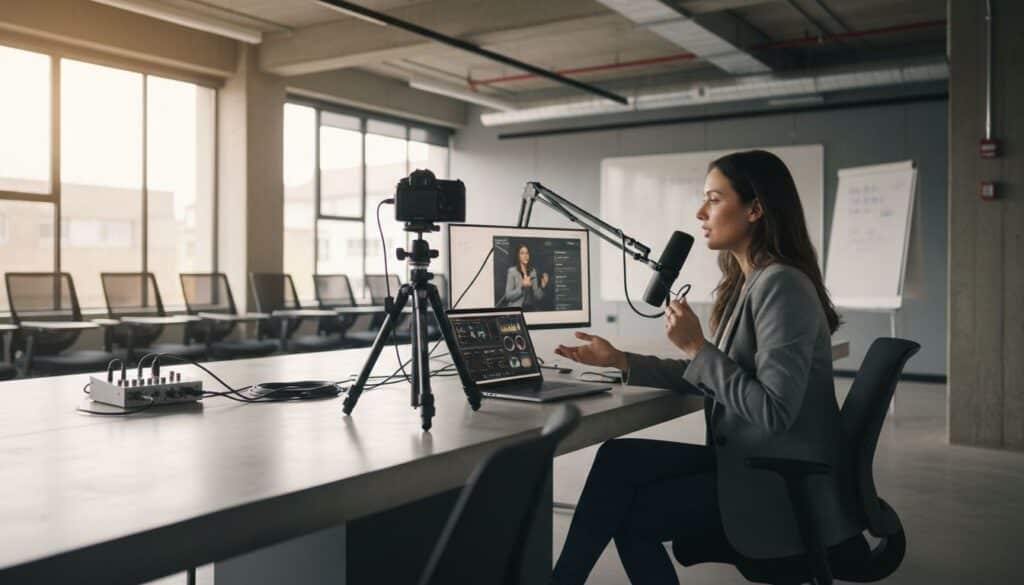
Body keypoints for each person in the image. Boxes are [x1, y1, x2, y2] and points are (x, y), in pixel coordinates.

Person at [549, 150, 861, 585]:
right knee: (618, 457)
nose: (700, 212)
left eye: (714, 199)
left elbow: (773, 411)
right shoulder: (751, 281)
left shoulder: (782, 285)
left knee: (630, 517)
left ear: (755, 209)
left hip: (775, 483)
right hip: (750, 463)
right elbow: (719, 374)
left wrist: (698, 346)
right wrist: (621, 362)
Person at [503, 243, 549, 310]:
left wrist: (542, 286)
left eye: (527, 253)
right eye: (522, 253)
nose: (525, 256)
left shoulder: (533, 271)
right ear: (518, 256)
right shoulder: (512, 271)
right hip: (517, 310)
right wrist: (522, 287)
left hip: (530, 309)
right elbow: (508, 296)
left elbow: (537, 297)